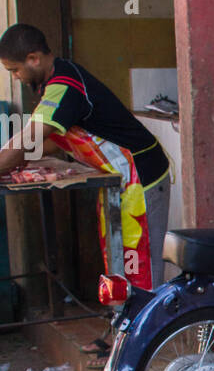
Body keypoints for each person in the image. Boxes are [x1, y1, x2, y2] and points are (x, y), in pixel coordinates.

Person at [0, 24, 171, 290]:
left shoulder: (64, 85)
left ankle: (151, 329)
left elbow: (29, 137)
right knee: (122, 264)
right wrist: (17, 159)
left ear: (33, 58)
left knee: (140, 266)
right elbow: (51, 141)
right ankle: (128, 325)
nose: (16, 77)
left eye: (15, 70)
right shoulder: (56, 79)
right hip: (123, 178)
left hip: (142, 175)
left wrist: (9, 158)